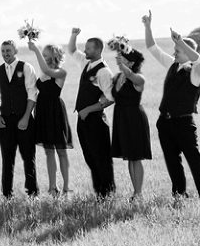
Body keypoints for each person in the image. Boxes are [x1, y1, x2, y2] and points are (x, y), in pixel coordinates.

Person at [143, 10, 200, 197]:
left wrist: (180, 41)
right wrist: (148, 26)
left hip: (183, 124)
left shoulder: (197, 71)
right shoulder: (173, 65)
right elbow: (152, 47)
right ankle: (179, 195)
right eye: (175, 50)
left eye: (178, 50)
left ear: (190, 53)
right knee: (172, 161)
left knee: (194, 160)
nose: (175, 53)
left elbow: (199, 60)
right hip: (165, 123)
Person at [68, 29, 115, 197]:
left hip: (96, 121)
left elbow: (110, 97)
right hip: (83, 120)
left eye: (88, 48)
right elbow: (72, 50)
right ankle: (99, 193)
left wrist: (89, 109)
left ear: (97, 50)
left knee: (101, 158)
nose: (85, 50)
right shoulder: (86, 64)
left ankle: (107, 193)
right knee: (90, 158)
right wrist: (74, 35)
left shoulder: (103, 71)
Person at [0, 39, 38, 198]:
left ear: (15, 51)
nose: (5, 54)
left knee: (28, 158)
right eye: (3, 51)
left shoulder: (26, 68)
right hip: (5, 121)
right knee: (7, 159)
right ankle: (6, 195)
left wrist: (25, 117)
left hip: (24, 119)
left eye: (8, 51)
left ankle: (32, 194)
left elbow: (32, 94)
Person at [28, 41, 73, 195]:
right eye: (43, 55)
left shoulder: (61, 72)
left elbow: (46, 68)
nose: (44, 57)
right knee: (48, 151)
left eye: (46, 55)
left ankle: (66, 187)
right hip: (42, 112)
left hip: (55, 112)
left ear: (54, 56)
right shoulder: (43, 72)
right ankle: (53, 187)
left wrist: (35, 50)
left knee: (61, 151)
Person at [111, 48, 152, 199]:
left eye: (123, 58)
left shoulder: (139, 78)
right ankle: (135, 192)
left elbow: (129, 74)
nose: (119, 60)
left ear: (132, 62)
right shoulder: (117, 77)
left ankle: (139, 193)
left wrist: (122, 65)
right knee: (129, 156)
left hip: (134, 118)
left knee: (136, 156)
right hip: (120, 118)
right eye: (119, 58)